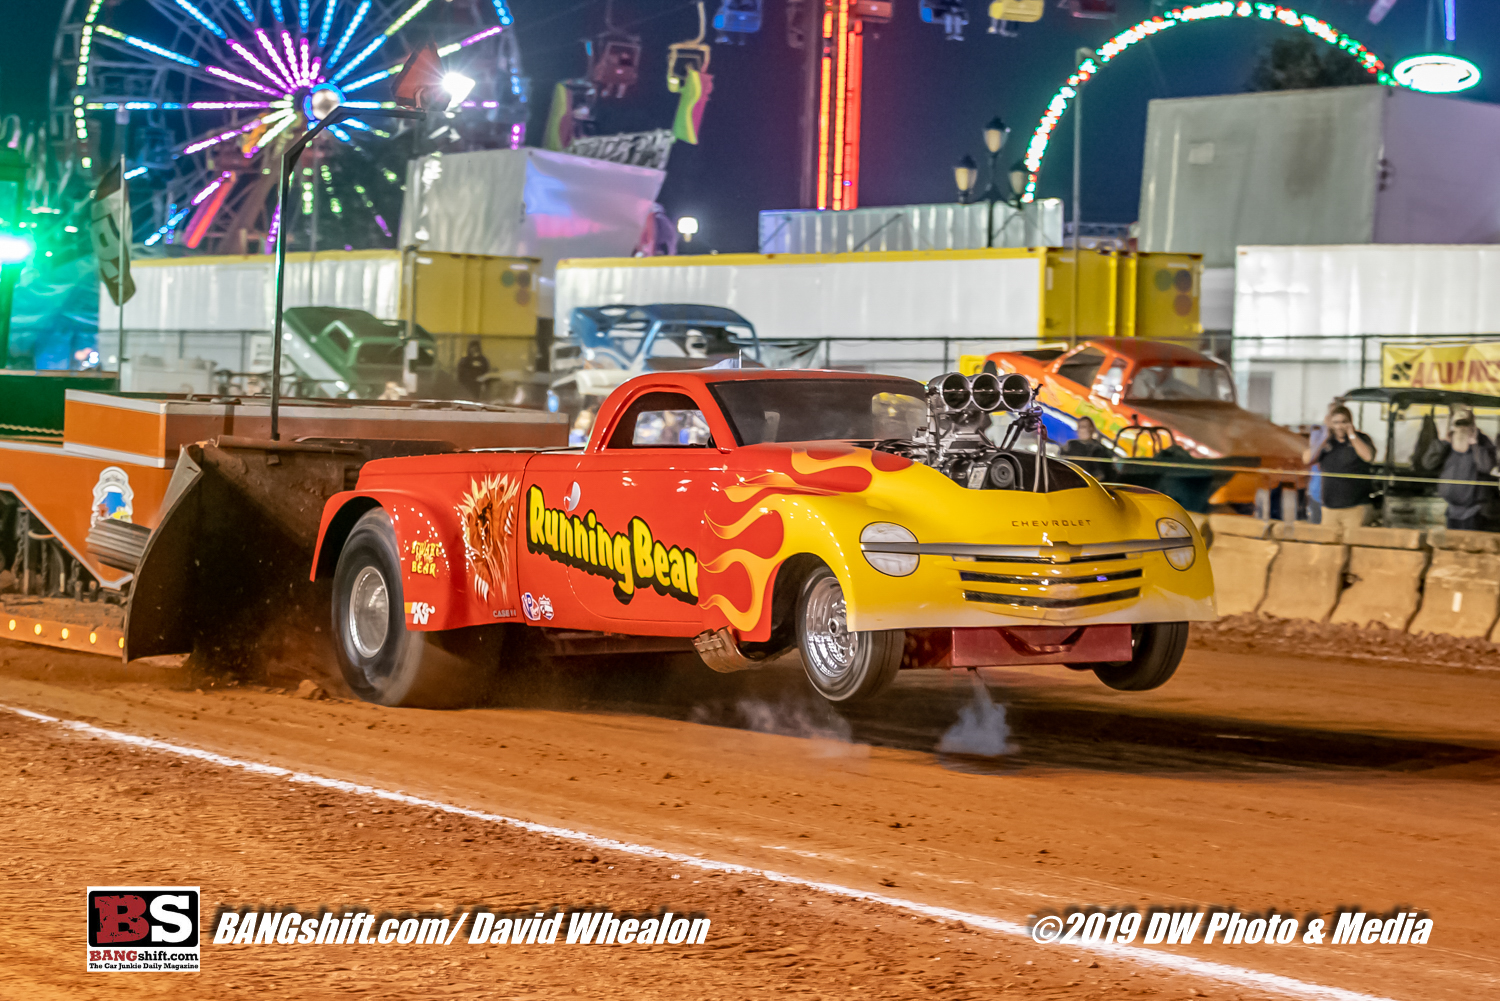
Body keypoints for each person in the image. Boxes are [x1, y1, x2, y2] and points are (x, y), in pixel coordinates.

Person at [1422, 405, 1496, 530]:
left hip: (1475, 511)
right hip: (1451, 510)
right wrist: (1443, 441)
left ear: (1472, 422)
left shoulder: (1481, 441)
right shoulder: (1446, 443)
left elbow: (1486, 467)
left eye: (1465, 423)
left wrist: (1475, 444)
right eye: (1458, 423)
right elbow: (1428, 464)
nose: (1462, 427)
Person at [1302, 405, 1375, 531]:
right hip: (1329, 508)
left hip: (1356, 507)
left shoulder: (1361, 438)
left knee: (1354, 545)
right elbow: (1307, 459)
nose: (1340, 426)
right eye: (1336, 423)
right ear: (1331, 424)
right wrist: (1324, 436)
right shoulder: (1326, 442)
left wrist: (1352, 435)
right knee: (1330, 547)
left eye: (1344, 422)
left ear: (1350, 422)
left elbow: (1368, 456)